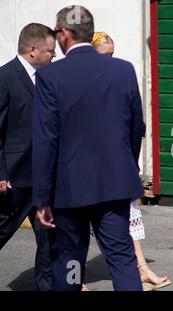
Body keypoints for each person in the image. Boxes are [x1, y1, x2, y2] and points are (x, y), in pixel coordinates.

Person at [33, 5, 144, 291]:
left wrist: (42, 198)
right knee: (122, 259)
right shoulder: (123, 70)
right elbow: (135, 128)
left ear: (63, 33)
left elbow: (46, 140)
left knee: (70, 259)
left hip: (70, 191)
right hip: (114, 183)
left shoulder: (50, 77)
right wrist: (126, 168)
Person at [89, 31, 171, 291]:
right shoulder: (83, 81)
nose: (110, 59)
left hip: (118, 159)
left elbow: (136, 121)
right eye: (105, 55)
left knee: (129, 214)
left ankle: (142, 267)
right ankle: (74, 278)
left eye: (113, 54)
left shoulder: (120, 76)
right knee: (79, 226)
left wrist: (131, 160)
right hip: (90, 163)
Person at [0, 23, 56, 291]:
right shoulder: (5, 77)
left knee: (48, 237)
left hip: (43, 178)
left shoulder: (47, 78)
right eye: (50, 51)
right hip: (14, 178)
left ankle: (46, 286)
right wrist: (0, 172)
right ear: (32, 50)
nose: (53, 56)